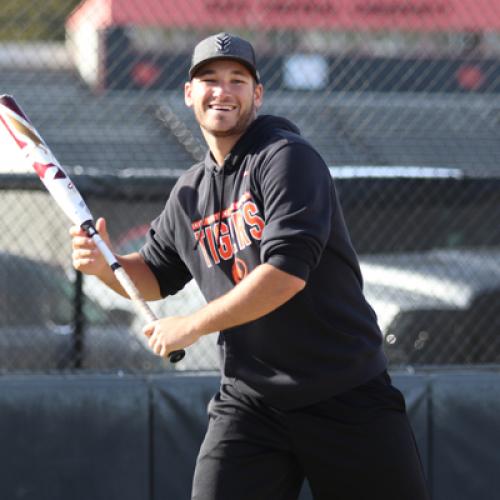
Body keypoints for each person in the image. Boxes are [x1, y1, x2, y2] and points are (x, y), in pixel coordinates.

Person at [71, 32, 430, 500]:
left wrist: (193, 325)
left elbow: (285, 275)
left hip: (344, 392)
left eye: (237, 80)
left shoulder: (285, 159)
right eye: (210, 80)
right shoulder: (188, 193)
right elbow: (156, 276)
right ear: (188, 94)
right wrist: (106, 266)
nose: (222, 91)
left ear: (257, 94)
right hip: (251, 403)